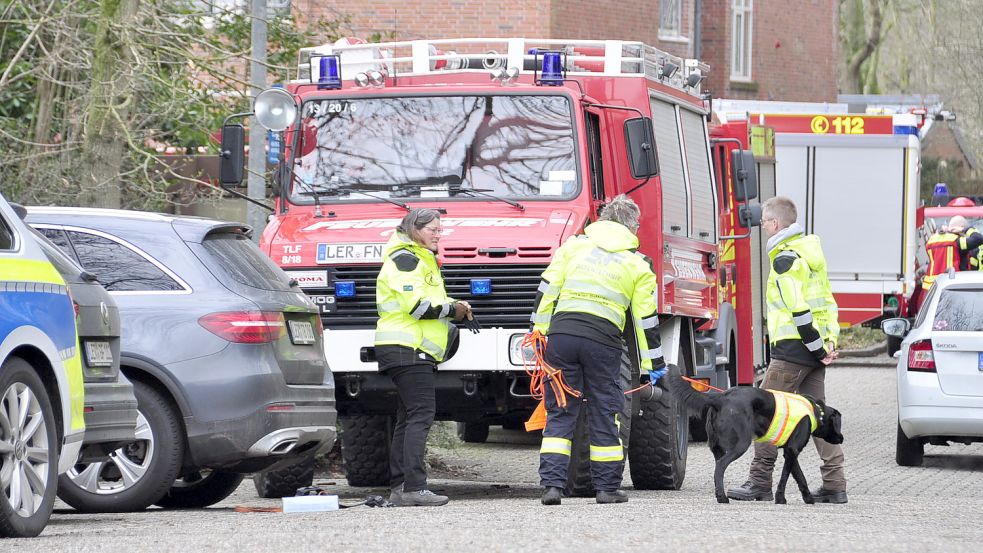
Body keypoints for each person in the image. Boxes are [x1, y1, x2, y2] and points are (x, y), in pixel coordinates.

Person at [529, 195, 666, 506]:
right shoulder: (638, 263)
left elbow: (546, 289)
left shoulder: (574, 246)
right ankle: (606, 489)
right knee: (605, 411)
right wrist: (653, 363)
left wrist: (538, 332)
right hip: (602, 340)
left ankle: (552, 487)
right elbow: (645, 320)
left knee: (560, 410)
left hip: (562, 335)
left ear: (601, 220)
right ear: (633, 227)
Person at [727, 196, 848, 504]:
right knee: (819, 417)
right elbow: (827, 303)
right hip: (812, 350)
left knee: (763, 413)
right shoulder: (810, 253)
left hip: (794, 352)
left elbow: (799, 310)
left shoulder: (786, 259)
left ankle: (759, 481)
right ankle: (835, 484)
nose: (763, 227)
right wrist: (828, 343)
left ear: (776, 224)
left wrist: (818, 348)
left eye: (764, 223)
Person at [374, 208, 474, 507]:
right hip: (408, 349)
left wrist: (453, 307)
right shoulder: (406, 259)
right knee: (421, 415)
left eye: (440, 229)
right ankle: (414, 487)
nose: (438, 233)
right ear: (414, 229)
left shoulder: (419, 258)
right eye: (432, 229)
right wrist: (453, 308)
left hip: (411, 349)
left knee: (407, 418)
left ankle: (401, 487)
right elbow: (417, 306)